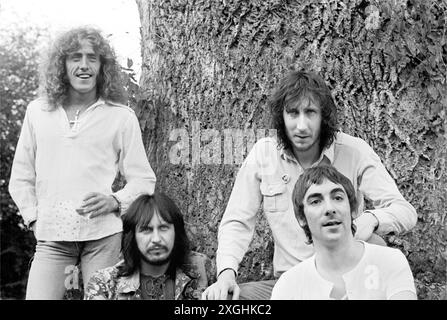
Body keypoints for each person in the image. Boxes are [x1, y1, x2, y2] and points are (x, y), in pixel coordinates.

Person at [202, 70, 417, 300]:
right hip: (289, 284)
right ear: (281, 117)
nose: (301, 126)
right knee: (226, 300)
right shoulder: (264, 154)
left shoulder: (354, 151)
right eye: (293, 113)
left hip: (348, 279)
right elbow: (237, 220)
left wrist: (372, 219)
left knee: (377, 246)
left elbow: (404, 211)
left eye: (310, 112)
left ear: (323, 116)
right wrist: (226, 274)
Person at [8, 26, 156, 299]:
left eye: (92, 58)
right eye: (75, 57)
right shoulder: (37, 112)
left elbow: (144, 180)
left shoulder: (121, 117)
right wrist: (33, 219)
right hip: (52, 239)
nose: (84, 65)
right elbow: (21, 177)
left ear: (103, 66)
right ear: (62, 65)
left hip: (103, 238)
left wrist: (116, 201)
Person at [271, 165, 417, 299]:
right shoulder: (289, 285)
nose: (329, 208)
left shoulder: (389, 261)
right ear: (302, 218)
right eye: (315, 201)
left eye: (338, 198)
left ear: (352, 210)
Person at [84, 193, 211, 300]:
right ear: (133, 237)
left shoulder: (202, 269)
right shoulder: (105, 284)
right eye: (146, 230)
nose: (156, 239)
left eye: (163, 228)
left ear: (176, 232)